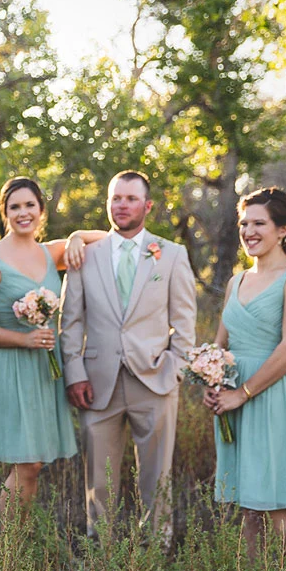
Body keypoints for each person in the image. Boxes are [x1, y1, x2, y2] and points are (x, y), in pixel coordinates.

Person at [61, 170, 197, 543]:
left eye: (130, 199)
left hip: (154, 380)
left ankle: (156, 552)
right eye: (115, 198)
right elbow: (70, 321)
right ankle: (101, 556)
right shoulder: (84, 255)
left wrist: (175, 370)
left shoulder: (171, 255)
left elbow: (185, 323)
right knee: (98, 483)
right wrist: (74, 374)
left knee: (157, 479)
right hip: (96, 384)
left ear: (147, 206)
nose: (121, 205)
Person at [0, 177, 105, 510]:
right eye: (15, 207)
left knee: (35, 464)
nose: (23, 213)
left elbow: (109, 240)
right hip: (9, 367)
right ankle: (6, 550)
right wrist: (23, 338)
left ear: (41, 210)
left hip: (45, 370)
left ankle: (15, 546)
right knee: (28, 462)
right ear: (4, 212)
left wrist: (77, 236)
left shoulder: (51, 253)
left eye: (30, 205)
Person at [206, 188, 286, 553]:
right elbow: (220, 345)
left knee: (277, 511)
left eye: (259, 223)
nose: (249, 231)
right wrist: (210, 380)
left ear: (283, 229)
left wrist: (243, 393)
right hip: (233, 400)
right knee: (249, 510)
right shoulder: (236, 282)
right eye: (244, 223)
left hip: (270, 398)